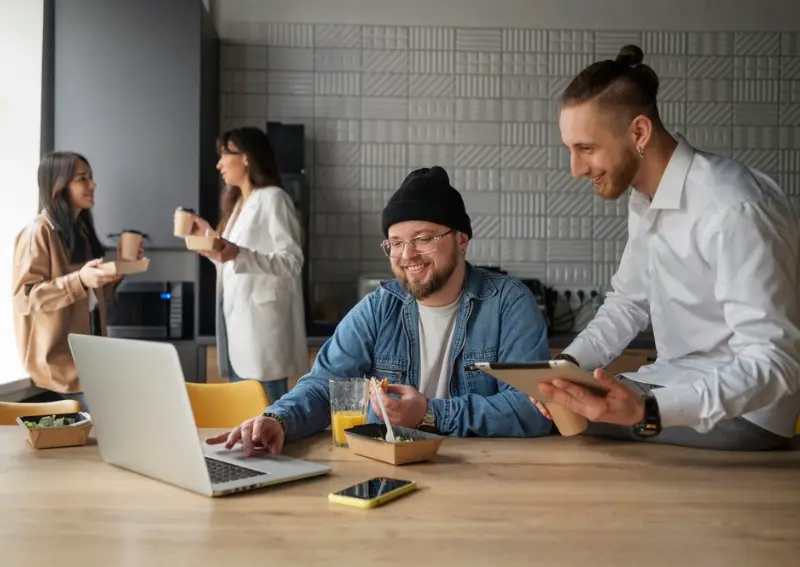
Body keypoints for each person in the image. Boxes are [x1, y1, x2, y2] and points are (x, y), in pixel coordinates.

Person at [534, 44, 800, 451]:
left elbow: (776, 363)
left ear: (638, 132)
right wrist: (567, 368)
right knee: (561, 406)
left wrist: (651, 410)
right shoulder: (644, 199)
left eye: (586, 148)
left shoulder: (733, 207)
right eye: (571, 150)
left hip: (745, 411)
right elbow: (628, 303)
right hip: (674, 379)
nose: (576, 169)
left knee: (564, 425)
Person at [207, 166, 552, 455]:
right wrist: (278, 420)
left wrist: (430, 414)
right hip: (394, 471)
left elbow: (533, 409)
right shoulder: (379, 308)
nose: (407, 255)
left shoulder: (509, 303)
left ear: (462, 240)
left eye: (423, 238)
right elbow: (323, 385)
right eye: (396, 243)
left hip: (491, 474)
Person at [181, 127, 306, 404]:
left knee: (268, 411)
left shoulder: (273, 198)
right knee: (246, 412)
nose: (219, 164)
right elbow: (234, 263)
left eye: (224, 155)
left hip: (263, 328)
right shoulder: (238, 205)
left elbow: (292, 262)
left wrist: (238, 253)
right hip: (236, 320)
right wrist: (212, 245)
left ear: (246, 157)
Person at [13, 151, 143, 411]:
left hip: (89, 365)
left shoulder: (79, 231)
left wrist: (119, 269)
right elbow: (25, 298)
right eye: (82, 178)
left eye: (90, 178)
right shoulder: (38, 231)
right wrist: (80, 280)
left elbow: (92, 298)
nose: (92, 185)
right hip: (59, 373)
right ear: (58, 184)